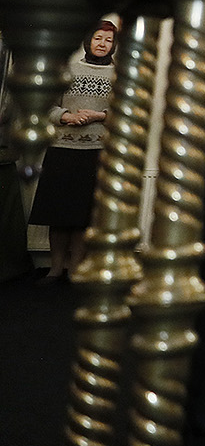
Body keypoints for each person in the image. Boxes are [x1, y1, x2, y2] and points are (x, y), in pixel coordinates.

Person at [29, 20, 116, 282]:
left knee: (82, 216)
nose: (102, 44)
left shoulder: (119, 75)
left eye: (108, 40)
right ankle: (55, 269)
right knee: (57, 214)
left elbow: (126, 113)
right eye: (98, 38)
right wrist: (66, 116)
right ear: (88, 41)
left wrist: (99, 115)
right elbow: (46, 105)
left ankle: (76, 269)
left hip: (96, 151)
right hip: (62, 148)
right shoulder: (67, 69)